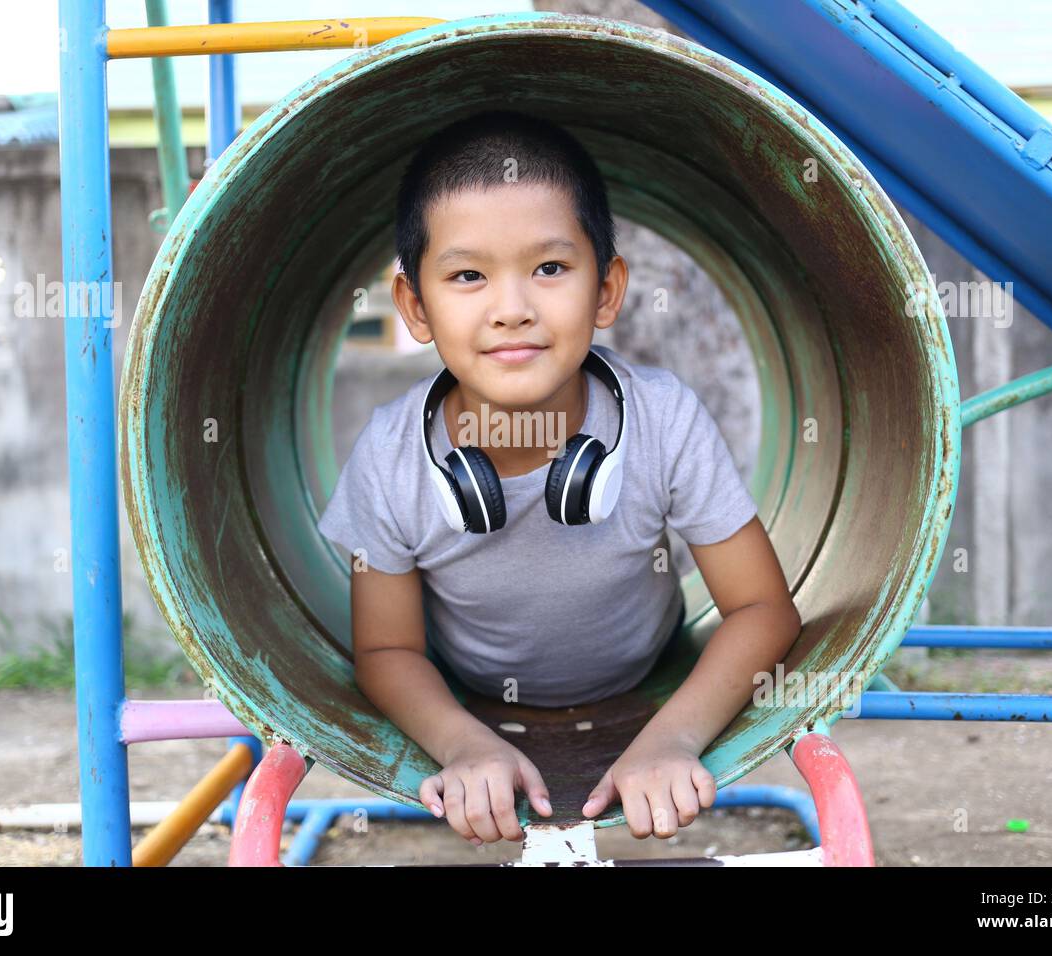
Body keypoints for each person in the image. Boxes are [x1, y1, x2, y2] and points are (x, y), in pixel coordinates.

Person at [317, 108, 801, 848]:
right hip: (473, 691)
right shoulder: (390, 455)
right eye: (468, 275)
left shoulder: (662, 419)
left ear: (605, 291)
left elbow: (763, 609)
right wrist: (461, 742)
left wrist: (672, 739)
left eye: (549, 268)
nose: (512, 310)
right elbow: (386, 652)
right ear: (415, 305)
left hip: (643, 673)